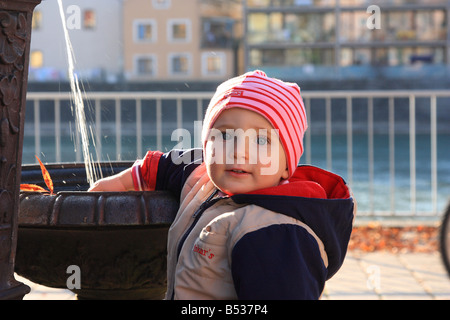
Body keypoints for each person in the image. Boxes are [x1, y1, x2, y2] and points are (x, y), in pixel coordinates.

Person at [89, 70, 356, 299]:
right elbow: (164, 166)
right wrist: (116, 183)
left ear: (288, 165)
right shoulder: (204, 177)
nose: (239, 151)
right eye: (225, 135)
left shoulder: (275, 232)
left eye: (261, 140)